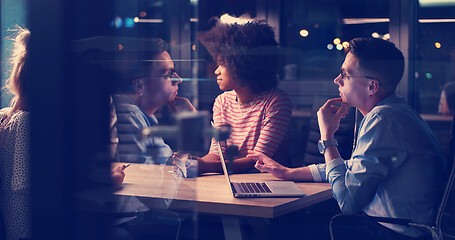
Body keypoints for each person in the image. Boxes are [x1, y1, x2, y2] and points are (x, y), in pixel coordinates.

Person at [249, 38, 446, 239]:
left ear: (372, 86)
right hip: (397, 229)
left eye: (345, 74)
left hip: (391, 233)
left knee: (273, 232)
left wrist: (327, 137)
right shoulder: (396, 112)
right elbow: (354, 167)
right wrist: (288, 172)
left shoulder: (382, 119)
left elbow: (348, 202)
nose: (337, 80)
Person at [197, 14, 292, 174]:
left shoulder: (276, 101)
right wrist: (193, 162)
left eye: (222, 64)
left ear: (241, 64)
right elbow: (217, 153)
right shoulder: (222, 102)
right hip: (234, 179)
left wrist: (204, 166)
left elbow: (257, 160)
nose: (216, 71)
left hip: (271, 184)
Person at [112, 38, 196, 165]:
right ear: (140, 86)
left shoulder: (145, 117)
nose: (178, 79)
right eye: (169, 74)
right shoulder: (130, 115)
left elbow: (164, 167)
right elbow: (154, 178)